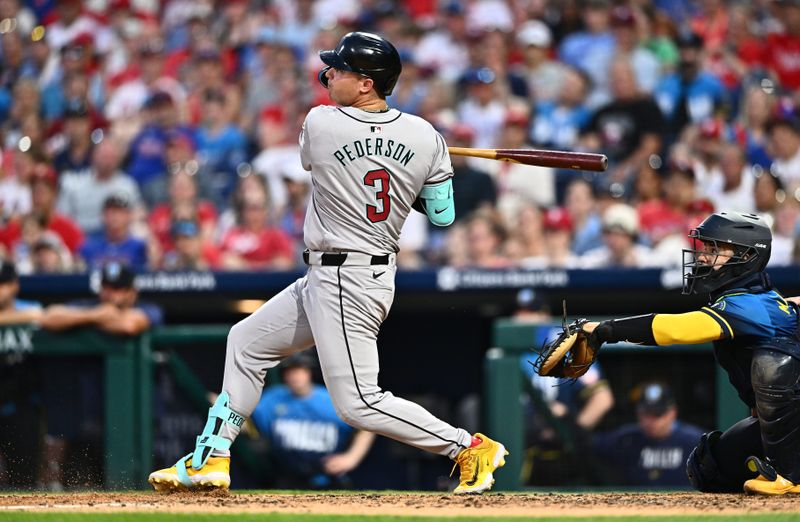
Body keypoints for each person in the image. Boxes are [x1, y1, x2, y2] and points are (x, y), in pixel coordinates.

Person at [148, 31, 507, 495]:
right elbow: (442, 213)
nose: (328, 74)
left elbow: (316, 160)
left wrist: (379, 161)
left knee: (358, 403)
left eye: (340, 69)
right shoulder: (426, 136)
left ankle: (467, 446)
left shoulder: (320, 123)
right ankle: (212, 456)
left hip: (347, 277)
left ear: (366, 83)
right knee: (246, 342)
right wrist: (409, 170)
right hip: (343, 274)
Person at [574, 211, 800, 495]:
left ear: (745, 256)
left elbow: (677, 329)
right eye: (704, 247)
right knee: (710, 468)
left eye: (714, 249)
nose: (703, 256)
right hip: (787, 426)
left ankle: (790, 475)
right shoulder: (763, 299)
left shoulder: (749, 304)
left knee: (773, 365)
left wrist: (605, 330)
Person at [39, 261, 162, 488]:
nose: (110, 294)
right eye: (107, 287)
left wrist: (87, 319)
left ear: (132, 292)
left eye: (118, 289)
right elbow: (48, 317)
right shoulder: (90, 306)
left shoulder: (149, 307)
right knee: (84, 485)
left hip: (134, 416)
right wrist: (97, 315)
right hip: (87, 415)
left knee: (136, 483)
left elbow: (129, 325)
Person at [250, 352, 375, 489]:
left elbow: (366, 427)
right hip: (286, 476)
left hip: (328, 477)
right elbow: (247, 419)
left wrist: (351, 458)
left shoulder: (331, 400)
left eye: (299, 370)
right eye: (289, 371)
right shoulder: (272, 399)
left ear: (309, 372)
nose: (294, 376)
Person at [592, 382, 703, 488]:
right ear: (638, 413)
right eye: (646, 414)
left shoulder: (694, 441)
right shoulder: (626, 440)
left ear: (672, 413)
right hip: (636, 506)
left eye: (657, 415)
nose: (650, 421)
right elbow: (589, 446)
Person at [0, 259, 44, 489]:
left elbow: (41, 316)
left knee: (24, 481)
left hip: (21, 404)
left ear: (14, 285)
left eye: (3, 283)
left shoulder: (30, 307)